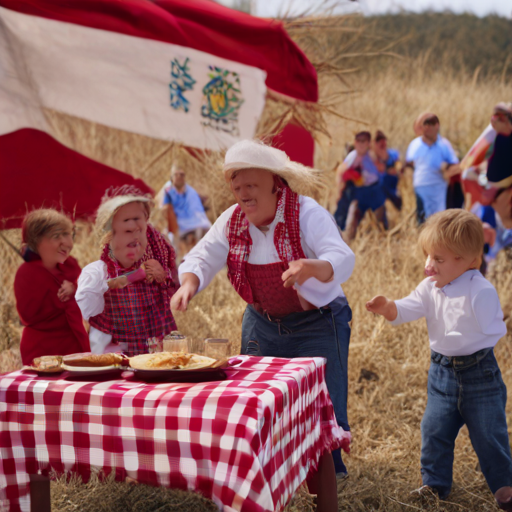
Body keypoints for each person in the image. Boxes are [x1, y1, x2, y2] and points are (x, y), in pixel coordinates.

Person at [171, 140, 355, 498]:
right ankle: (269, 469)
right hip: (263, 322)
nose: (243, 195)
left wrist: (310, 267)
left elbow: (341, 257)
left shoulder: (307, 213)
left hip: (318, 321)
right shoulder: (232, 220)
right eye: (237, 188)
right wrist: (189, 282)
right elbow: (203, 255)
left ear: (274, 182)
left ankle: (331, 479)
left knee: (324, 400)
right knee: (259, 400)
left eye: (250, 186)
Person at [366, 209, 512, 510]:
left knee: (488, 434)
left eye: (439, 259)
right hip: (442, 375)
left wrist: (481, 326)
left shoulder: (479, 290)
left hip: (479, 374)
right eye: (428, 256)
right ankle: (434, 483)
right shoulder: (429, 287)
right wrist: (388, 307)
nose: (428, 266)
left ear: (469, 261)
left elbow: (495, 328)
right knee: (434, 431)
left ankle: (503, 486)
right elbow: (407, 308)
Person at [76, 186, 178, 356]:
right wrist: (135, 275)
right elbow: (87, 307)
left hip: (154, 348)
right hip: (115, 356)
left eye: (140, 229)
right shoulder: (98, 271)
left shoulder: (155, 253)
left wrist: (163, 275)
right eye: (127, 230)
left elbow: (174, 285)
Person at [14, 209, 90, 365]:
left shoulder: (70, 265)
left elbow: (86, 291)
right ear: (36, 242)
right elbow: (27, 316)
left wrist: (75, 288)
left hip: (75, 344)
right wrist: (60, 298)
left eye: (67, 234)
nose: (65, 242)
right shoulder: (27, 272)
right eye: (56, 236)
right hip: (43, 349)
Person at [406, 113, 460, 223]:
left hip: (439, 187)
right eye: (426, 124)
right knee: (423, 218)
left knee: (439, 219)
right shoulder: (415, 145)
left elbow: (455, 164)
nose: (428, 128)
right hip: (421, 186)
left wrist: (446, 168)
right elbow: (409, 164)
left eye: (432, 124)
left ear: (437, 126)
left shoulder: (444, 145)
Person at [338, 131, 387, 239]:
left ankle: (384, 238)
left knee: (380, 215)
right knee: (354, 215)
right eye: (358, 141)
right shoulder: (353, 156)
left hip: (374, 189)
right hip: (360, 191)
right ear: (355, 142)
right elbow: (341, 171)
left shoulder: (372, 154)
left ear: (368, 143)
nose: (361, 144)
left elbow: (382, 168)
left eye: (363, 141)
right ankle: (348, 240)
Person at [162, 164, 212, 256]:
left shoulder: (190, 192)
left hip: (192, 219)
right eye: (176, 175)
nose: (179, 177)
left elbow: (196, 208)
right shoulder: (168, 191)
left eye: (182, 175)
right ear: (172, 177)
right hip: (177, 221)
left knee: (206, 228)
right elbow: (165, 207)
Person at [373, 130, 402, 210]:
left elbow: (398, 166)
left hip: (391, 184)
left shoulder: (393, 154)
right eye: (379, 141)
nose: (382, 144)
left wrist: (393, 169)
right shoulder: (372, 157)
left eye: (383, 141)